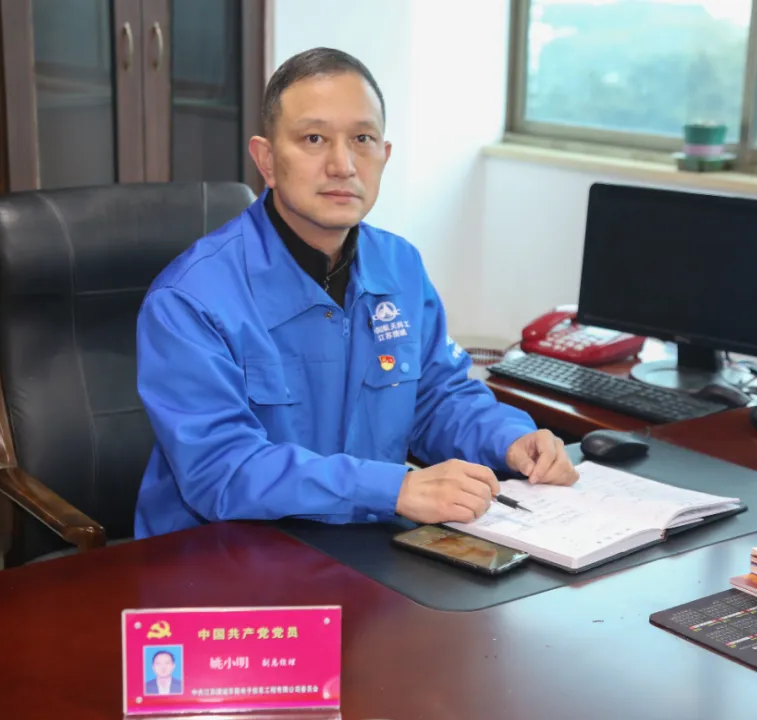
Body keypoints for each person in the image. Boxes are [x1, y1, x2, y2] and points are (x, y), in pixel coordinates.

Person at [134, 47, 578, 539]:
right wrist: (392, 488)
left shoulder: (400, 266)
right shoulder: (190, 299)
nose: (343, 165)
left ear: (384, 156)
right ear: (267, 160)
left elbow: (437, 398)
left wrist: (509, 440)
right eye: (314, 138)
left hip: (362, 545)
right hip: (221, 555)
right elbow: (221, 469)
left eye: (362, 139)